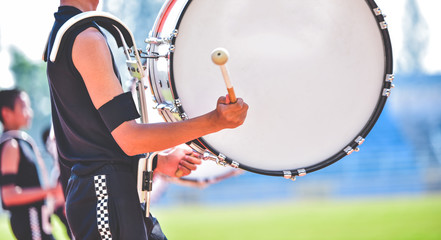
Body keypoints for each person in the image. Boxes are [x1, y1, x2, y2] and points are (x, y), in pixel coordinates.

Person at [0, 89, 59, 240]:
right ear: (6, 113)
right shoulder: (11, 146)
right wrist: (49, 191)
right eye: (24, 107)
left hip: (38, 224)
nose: (29, 112)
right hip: (30, 224)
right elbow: (8, 196)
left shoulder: (21, 141)